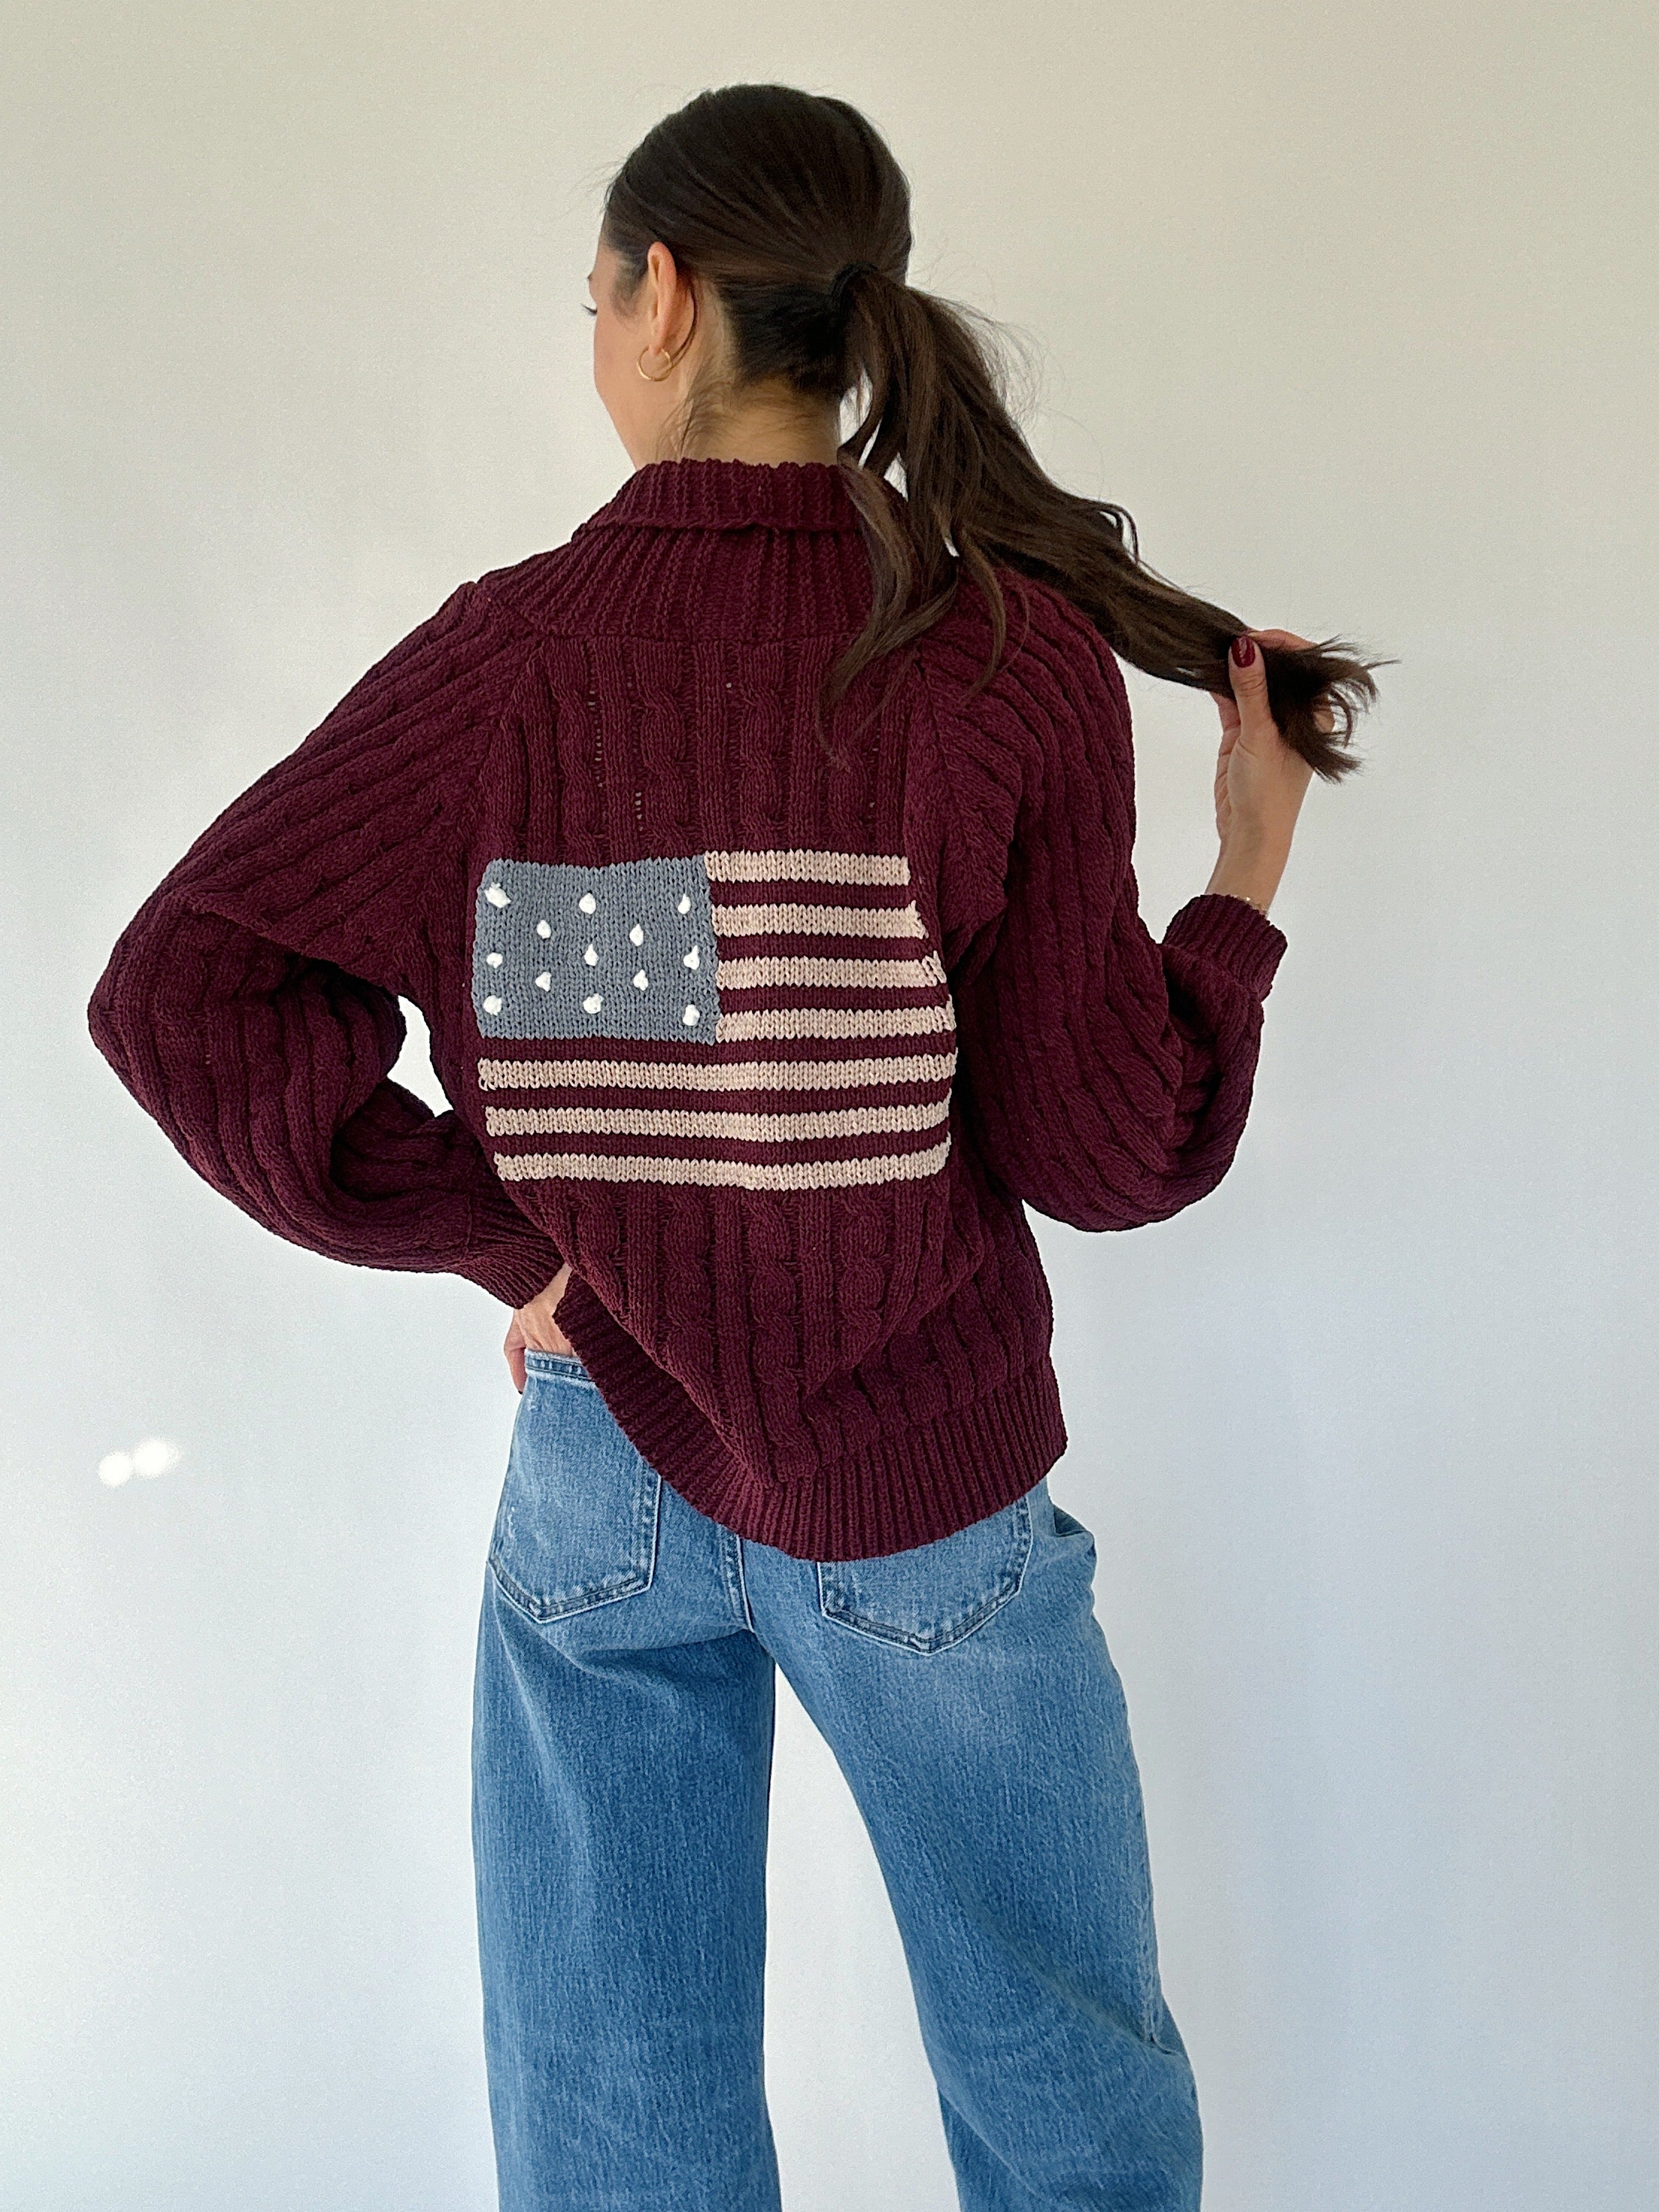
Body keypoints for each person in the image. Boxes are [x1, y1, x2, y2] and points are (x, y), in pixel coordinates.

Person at [87, 81, 1377, 2212]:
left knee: (611, 2112)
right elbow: (1101, 1153)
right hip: (929, 1503)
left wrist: (521, 1250)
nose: (593, 331)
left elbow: (199, 995)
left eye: (592, 293)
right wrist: (1234, 899)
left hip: (603, 1468)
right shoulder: (1005, 665)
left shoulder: (508, 664)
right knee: (1063, 2088)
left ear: (664, 296)